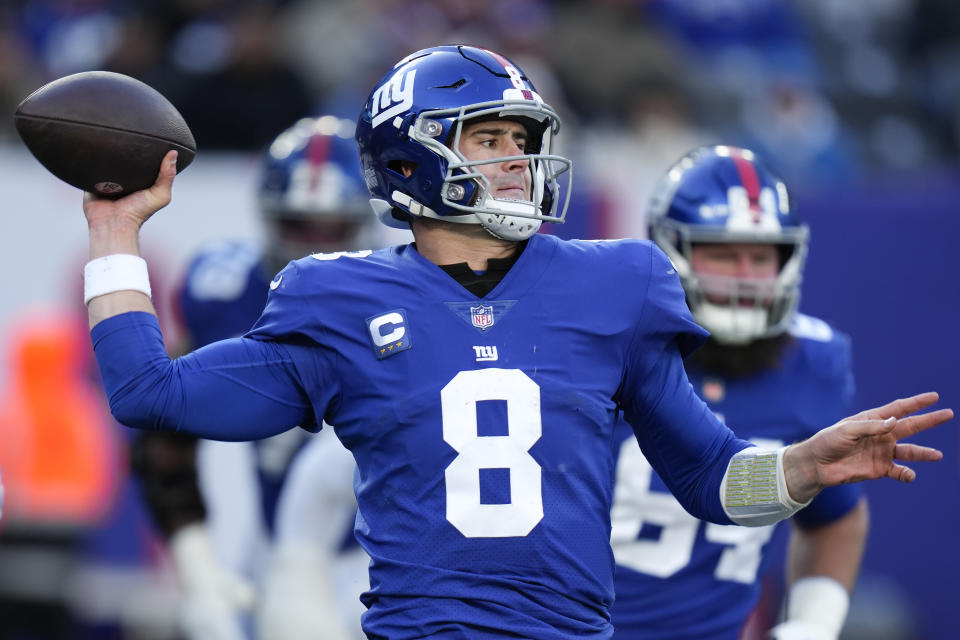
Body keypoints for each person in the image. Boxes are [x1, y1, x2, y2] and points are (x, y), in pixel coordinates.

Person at [78, 45, 949, 639]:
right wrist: (116, 234)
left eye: (522, 142)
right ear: (412, 159)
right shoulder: (337, 296)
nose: (515, 162)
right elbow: (149, 395)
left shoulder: (618, 283)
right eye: (489, 139)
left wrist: (801, 468)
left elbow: (714, 481)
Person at [130, 114, 380, 640]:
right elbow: (163, 434)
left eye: (332, 229)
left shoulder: (410, 302)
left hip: (391, 558)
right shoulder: (227, 291)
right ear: (269, 221)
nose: (314, 250)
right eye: (298, 227)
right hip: (272, 552)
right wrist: (198, 571)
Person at [609, 145, 868, 640]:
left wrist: (810, 626)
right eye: (723, 254)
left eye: (761, 257)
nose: (746, 278)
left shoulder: (812, 362)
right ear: (668, 251)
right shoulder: (607, 348)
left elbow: (836, 517)